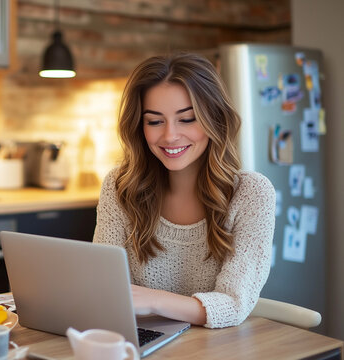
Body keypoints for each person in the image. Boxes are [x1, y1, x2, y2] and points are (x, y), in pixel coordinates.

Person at [93, 52, 276, 329]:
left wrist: (153, 300)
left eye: (187, 119)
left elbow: (234, 304)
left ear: (214, 118)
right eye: (154, 121)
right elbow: (102, 284)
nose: (170, 136)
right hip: (139, 344)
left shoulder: (252, 194)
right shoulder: (120, 186)